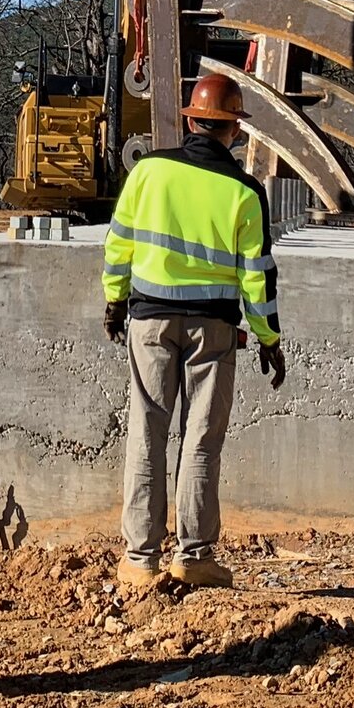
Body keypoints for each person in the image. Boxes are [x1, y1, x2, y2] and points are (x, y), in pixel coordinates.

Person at [101, 71, 284, 592]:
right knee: (200, 439)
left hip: (151, 320)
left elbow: (119, 244)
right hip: (214, 330)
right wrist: (268, 338)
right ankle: (195, 556)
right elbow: (257, 276)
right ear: (234, 130)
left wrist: (114, 300)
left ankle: (140, 560)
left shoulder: (149, 172)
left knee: (148, 430)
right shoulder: (244, 192)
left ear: (192, 122)